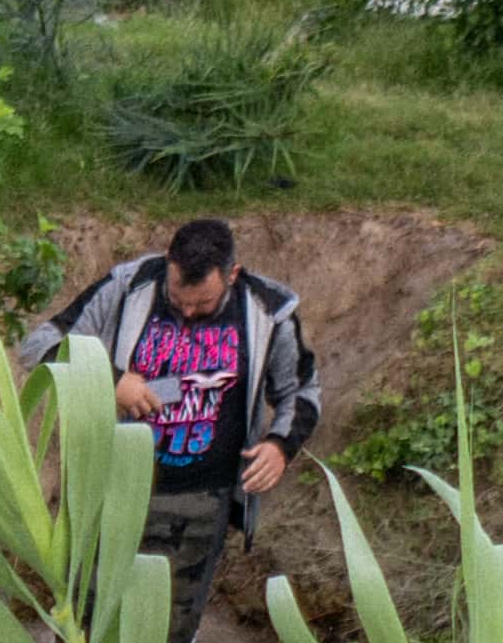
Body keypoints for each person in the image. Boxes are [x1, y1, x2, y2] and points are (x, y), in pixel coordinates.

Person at [37, 208, 317, 599]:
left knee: (167, 634)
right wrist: (110, 381)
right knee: (88, 621)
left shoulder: (268, 311)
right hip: (113, 488)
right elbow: (42, 344)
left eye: (202, 303)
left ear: (231, 274)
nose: (187, 312)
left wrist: (280, 445)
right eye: (178, 298)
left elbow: (300, 393)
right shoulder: (130, 284)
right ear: (169, 259)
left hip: (202, 502)